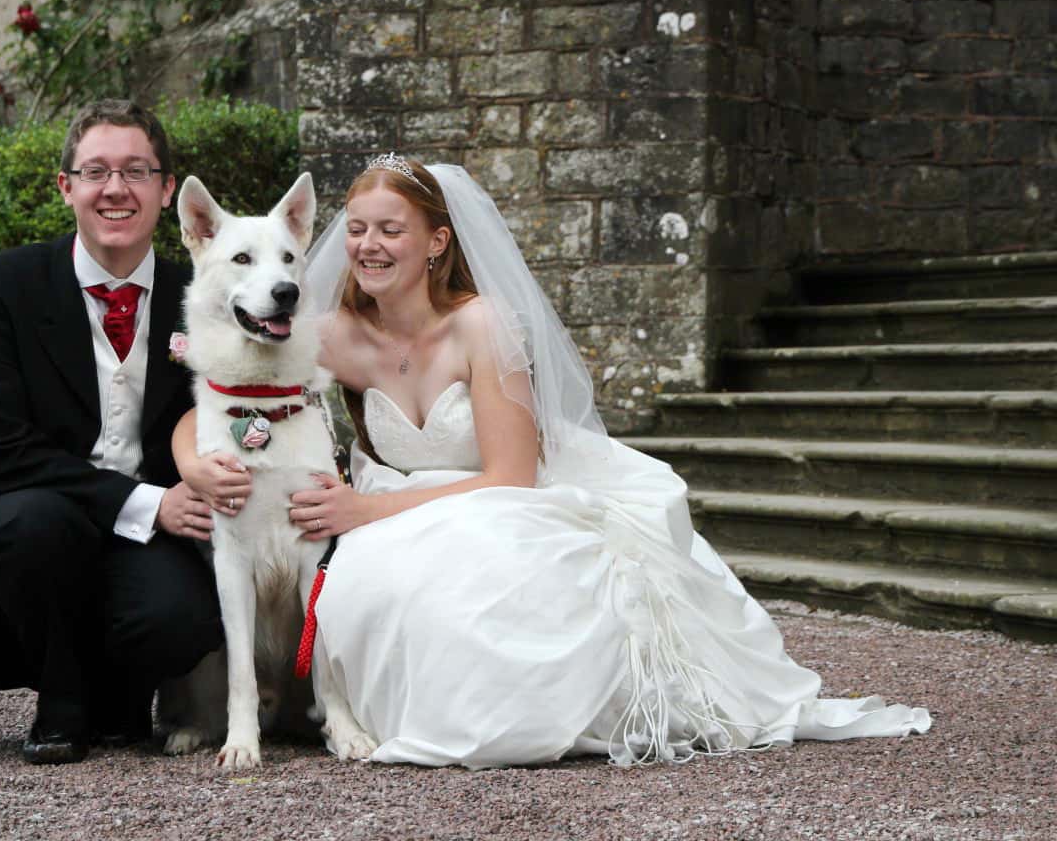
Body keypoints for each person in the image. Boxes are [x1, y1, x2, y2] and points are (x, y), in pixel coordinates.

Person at [275, 154, 930, 768]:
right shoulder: (335, 335)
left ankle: (509, 712)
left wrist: (369, 507)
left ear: (438, 242)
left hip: (504, 494)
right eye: (357, 229)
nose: (367, 246)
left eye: (391, 230)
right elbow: (230, 377)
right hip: (399, 505)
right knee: (367, 584)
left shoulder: (481, 323)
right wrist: (202, 456)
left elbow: (511, 477)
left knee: (464, 581)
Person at [0, 99, 224, 765]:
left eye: (137, 171)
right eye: (96, 171)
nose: (116, 189)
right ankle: (62, 698)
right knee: (31, 528)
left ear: (167, 189)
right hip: (36, 507)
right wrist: (150, 505)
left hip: (150, 528)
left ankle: (121, 697)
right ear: (67, 188)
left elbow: (230, 407)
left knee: (186, 620)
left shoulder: (199, 296)